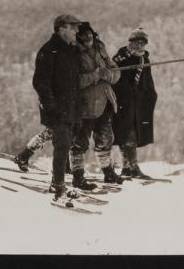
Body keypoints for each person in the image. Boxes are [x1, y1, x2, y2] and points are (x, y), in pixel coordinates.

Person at [31, 14, 82, 200]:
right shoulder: (49, 50)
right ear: (62, 29)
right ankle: (58, 185)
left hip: (71, 108)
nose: (77, 31)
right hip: (58, 109)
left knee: (66, 143)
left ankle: (57, 182)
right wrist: (51, 107)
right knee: (62, 146)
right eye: (73, 27)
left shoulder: (71, 51)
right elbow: (40, 82)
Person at [70, 22, 124, 186]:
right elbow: (74, 81)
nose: (87, 37)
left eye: (90, 34)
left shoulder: (101, 48)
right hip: (86, 105)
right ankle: (78, 177)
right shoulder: (73, 54)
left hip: (106, 101)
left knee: (105, 139)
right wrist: (95, 75)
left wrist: (109, 75)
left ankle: (108, 173)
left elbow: (116, 72)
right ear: (78, 37)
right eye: (83, 35)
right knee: (80, 142)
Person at [111, 27, 157, 179]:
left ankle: (129, 167)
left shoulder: (144, 59)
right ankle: (130, 167)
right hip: (123, 102)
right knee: (126, 133)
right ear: (130, 42)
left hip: (138, 103)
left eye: (143, 43)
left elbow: (147, 81)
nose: (140, 46)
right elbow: (115, 78)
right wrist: (128, 91)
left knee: (134, 134)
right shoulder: (121, 57)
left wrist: (150, 95)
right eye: (137, 42)